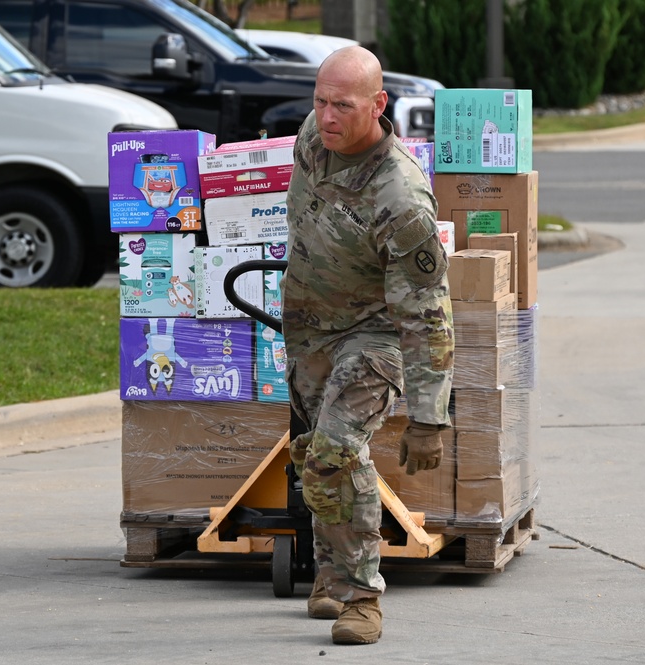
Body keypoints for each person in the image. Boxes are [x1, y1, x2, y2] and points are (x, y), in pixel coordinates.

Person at [280, 45, 454, 646]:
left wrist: (430, 417)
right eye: (320, 101)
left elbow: (429, 311)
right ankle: (330, 575)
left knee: (333, 449)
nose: (326, 117)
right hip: (309, 329)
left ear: (379, 105)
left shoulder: (400, 198)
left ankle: (361, 599)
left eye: (343, 106)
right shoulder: (313, 137)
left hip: (375, 335)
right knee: (315, 456)